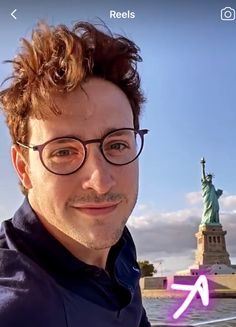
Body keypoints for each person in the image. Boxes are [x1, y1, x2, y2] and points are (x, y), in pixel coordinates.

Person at [0, 21, 151, 326]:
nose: (100, 182)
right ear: (24, 168)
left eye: (117, 144)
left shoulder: (116, 242)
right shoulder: (19, 309)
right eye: (64, 151)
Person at [200, 158, 223, 225]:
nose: (210, 178)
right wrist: (203, 166)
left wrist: (218, 193)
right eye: (208, 177)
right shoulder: (205, 184)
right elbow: (203, 175)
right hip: (207, 199)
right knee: (207, 209)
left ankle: (214, 221)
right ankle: (206, 221)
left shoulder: (212, 186)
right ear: (206, 179)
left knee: (215, 209)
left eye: (211, 177)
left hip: (214, 201)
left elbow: (215, 195)